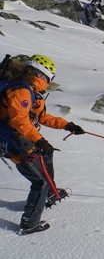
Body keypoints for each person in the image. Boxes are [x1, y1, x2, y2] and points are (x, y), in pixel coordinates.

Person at [0, 55, 86, 235]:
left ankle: (49, 193)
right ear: (40, 75)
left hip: (18, 136)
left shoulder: (29, 90)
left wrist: (67, 125)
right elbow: (19, 121)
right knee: (40, 181)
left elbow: (41, 117)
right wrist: (40, 140)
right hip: (11, 139)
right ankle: (29, 224)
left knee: (46, 155)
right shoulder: (21, 91)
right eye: (49, 78)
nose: (48, 82)